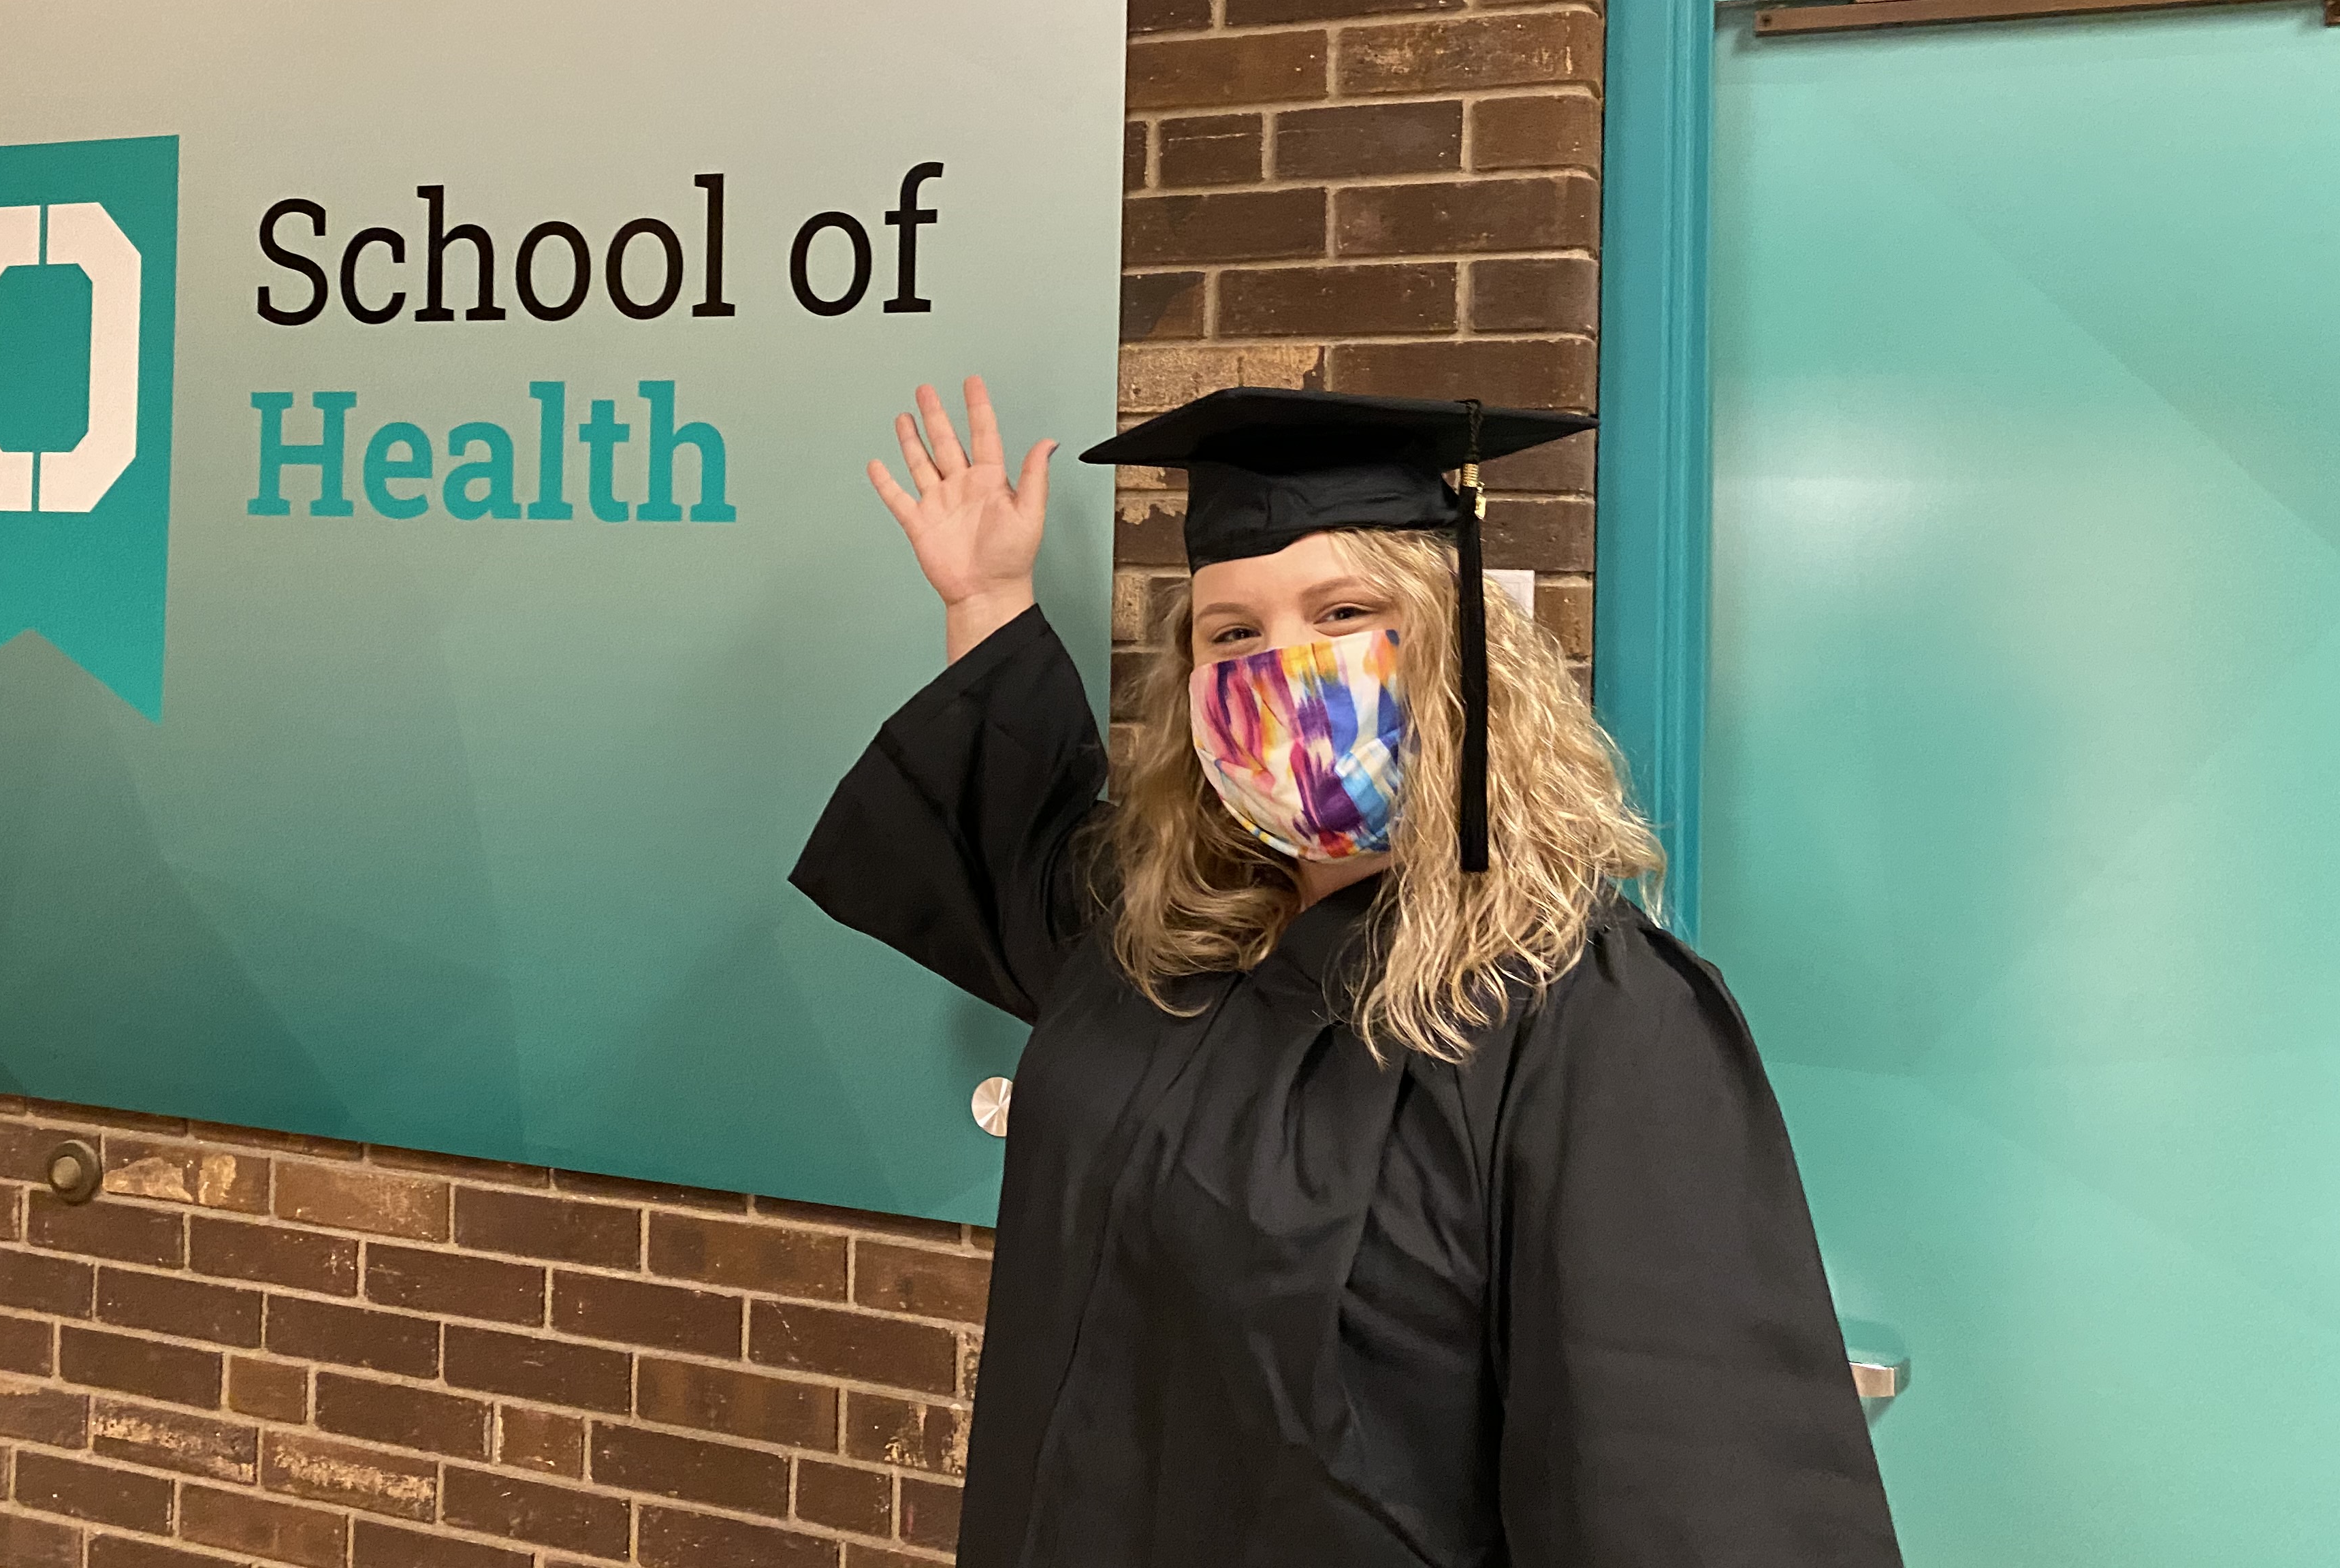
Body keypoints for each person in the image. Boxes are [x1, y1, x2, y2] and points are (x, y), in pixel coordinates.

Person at [791, 377, 1902, 1568]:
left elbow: (1685, 1489)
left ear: (1457, 646)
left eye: (1344, 613)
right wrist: (988, 596)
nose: (1289, 673)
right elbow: (1011, 836)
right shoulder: (1162, 936)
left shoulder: (1584, 1022)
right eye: (1235, 634)